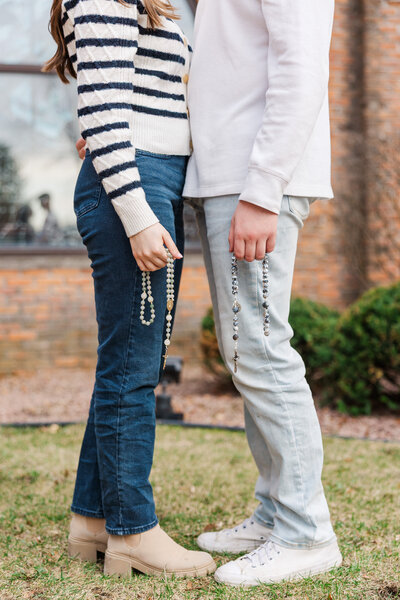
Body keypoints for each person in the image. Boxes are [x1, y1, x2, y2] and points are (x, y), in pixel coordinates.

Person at [43, 0, 215, 579]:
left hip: (148, 178)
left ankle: (93, 520)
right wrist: (139, 216)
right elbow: (105, 108)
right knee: (135, 372)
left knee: (127, 362)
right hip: (136, 188)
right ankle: (133, 533)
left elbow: (124, 100)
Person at [183, 0, 343, 587]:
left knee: (263, 349)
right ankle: (276, 512)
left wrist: (263, 190)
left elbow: (302, 68)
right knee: (246, 352)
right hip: (229, 177)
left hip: (254, 183)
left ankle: (306, 532)